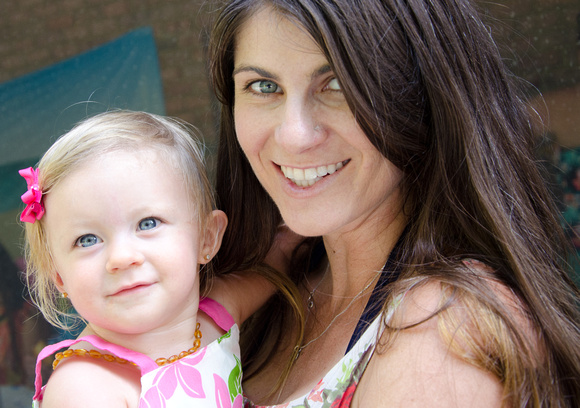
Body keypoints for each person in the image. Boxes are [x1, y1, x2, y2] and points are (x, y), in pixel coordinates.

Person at [207, 0, 580, 406]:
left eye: (337, 84)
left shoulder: (442, 326)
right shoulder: (268, 293)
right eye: (263, 86)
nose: (295, 135)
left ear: (421, 96)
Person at [20, 110, 281, 408]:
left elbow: (288, 252)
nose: (121, 258)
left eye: (148, 223)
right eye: (87, 240)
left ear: (206, 238)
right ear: (60, 278)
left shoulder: (217, 315)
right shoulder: (84, 388)